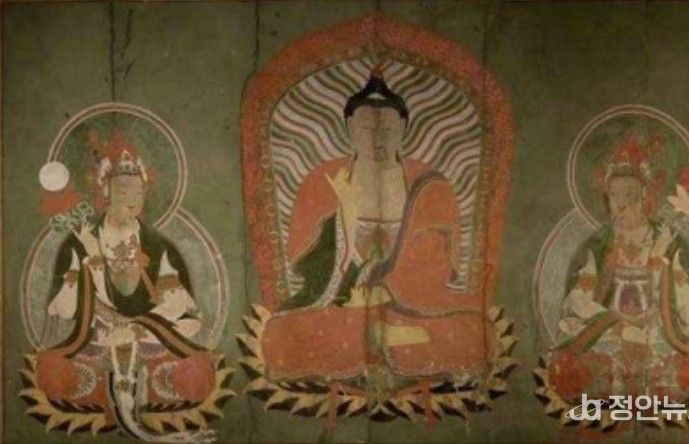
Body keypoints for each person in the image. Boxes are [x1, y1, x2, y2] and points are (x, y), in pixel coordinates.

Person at [260, 65, 487, 383]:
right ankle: (385, 338)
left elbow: (439, 267)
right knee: (280, 333)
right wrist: (347, 215)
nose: (376, 137)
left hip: (411, 305)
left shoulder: (430, 184)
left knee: (476, 330)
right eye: (366, 128)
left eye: (388, 129)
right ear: (348, 127)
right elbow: (306, 267)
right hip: (343, 304)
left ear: (404, 128)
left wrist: (390, 287)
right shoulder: (323, 180)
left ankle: (383, 337)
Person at [34, 133, 217, 441]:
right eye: (122, 190)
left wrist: (136, 329)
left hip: (150, 335)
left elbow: (177, 304)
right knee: (52, 373)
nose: (131, 199)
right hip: (95, 336)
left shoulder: (157, 245)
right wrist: (91, 260)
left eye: (138, 191)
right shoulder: (81, 239)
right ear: (106, 191)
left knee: (198, 373)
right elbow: (63, 310)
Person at [548, 138, 689, 403]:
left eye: (629, 195)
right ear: (606, 199)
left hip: (657, 329)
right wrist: (613, 313)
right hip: (608, 330)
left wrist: (661, 267)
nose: (621, 204)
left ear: (645, 196)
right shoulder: (600, 244)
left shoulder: (664, 240)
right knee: (568, 370)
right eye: (614, 196)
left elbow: (682, 297)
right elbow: (581, 297)